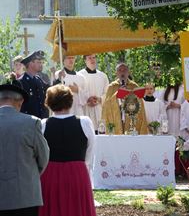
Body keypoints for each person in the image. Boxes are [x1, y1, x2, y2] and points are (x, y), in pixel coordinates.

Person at [39, 84, 96, 216]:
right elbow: (90, 151)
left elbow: (40, 153)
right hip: (78, 172)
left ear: (49, 103)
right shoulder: (85, 122)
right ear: (71, 101)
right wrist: (82, 165)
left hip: (50, 173)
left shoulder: (43, 124)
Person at [0, 74, 49, 216]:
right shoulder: (31, 123)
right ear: (20, 102)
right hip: (25, 195)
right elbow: (43, 157)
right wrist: (29, 174)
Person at [102, 63, 148, 134]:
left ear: (128, 72)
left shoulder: (134, 85)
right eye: (120, 70)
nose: (122, 72)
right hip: (117, 116)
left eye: (125, 70)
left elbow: (140, 104)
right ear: (116, 73)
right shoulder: (111, 86)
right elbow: (106, 105)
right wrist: (118, 94)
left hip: (131, 116)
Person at [79, 54, 109, 132]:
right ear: (85, 60)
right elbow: (77, 93)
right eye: (89, 58)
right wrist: (87, 100)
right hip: (85, 111)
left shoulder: (103, 76)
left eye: (94, 57)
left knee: (102, 137)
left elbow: (107, 93)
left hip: (99, 112)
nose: (92, 60)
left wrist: (99, 99)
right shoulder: (79, 75)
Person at [19, 50, 49, 118]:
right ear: (30, 64)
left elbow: (50, 89)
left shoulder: (38, 79)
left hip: (41, 120)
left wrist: (59, 79)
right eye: (38, 62)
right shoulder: (21, 82)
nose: (41, 64)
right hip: (29, 121)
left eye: (41, 62)